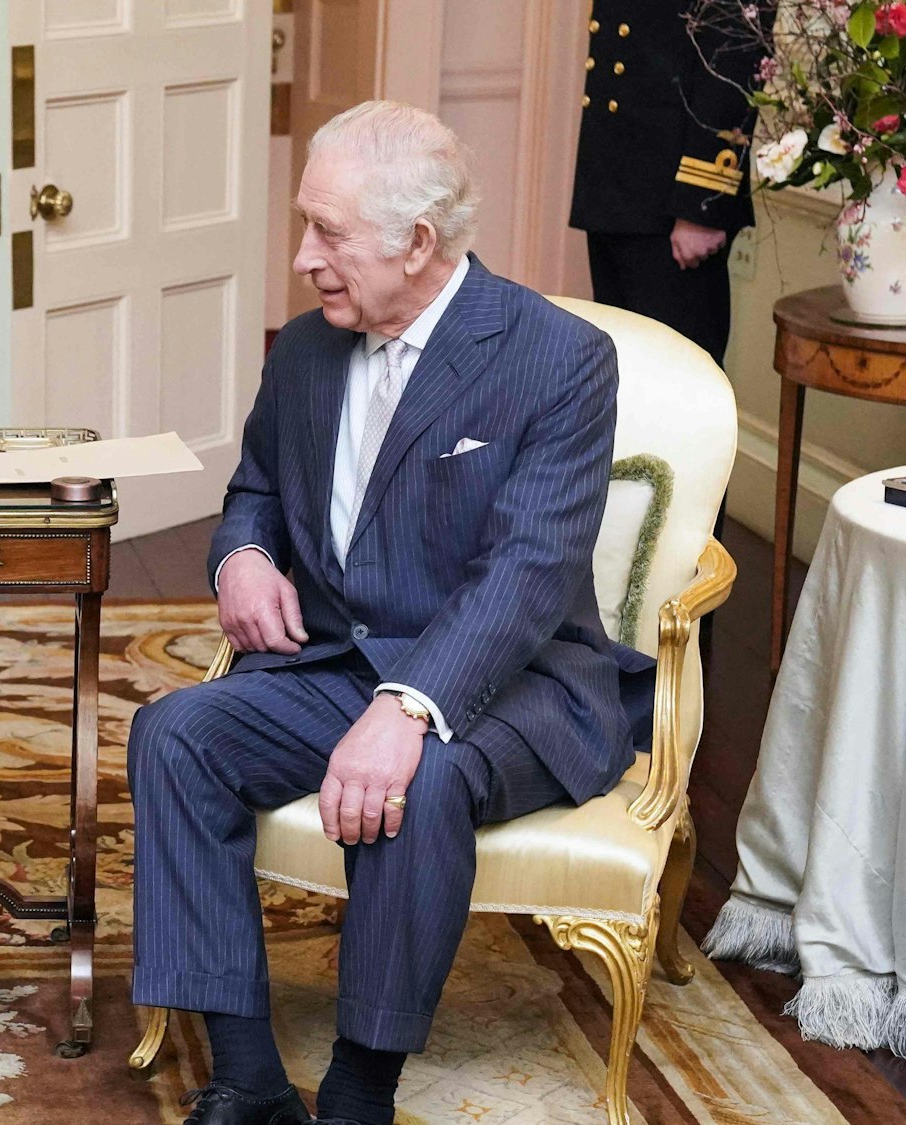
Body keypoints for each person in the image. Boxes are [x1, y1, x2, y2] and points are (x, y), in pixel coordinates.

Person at [127, 100, 654, 1125]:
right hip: (336, 663)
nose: (300, 257)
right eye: (303, 225)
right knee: (174, 733)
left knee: (426, 771)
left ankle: (360, 1092)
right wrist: (240, 556)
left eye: (326, 232)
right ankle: (246, 1081)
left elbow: (526, 573)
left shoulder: (555, 358)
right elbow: (256, 490)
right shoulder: (305, 352)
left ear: (415, 243)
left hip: (510, 685)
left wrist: (408, 707)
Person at [570, 0, 773, 364]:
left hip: (674, 206)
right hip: (616, 189)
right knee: (622, 381)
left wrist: (703, 202)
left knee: (678, 383)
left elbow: (733, 56)